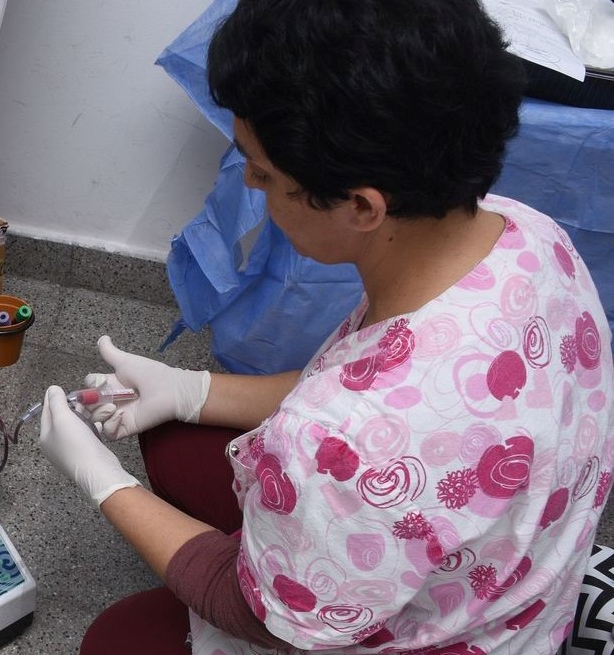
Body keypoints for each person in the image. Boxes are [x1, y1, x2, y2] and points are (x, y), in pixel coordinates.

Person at [37, 0, 614, 652]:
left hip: (450, 629)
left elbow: (253, 614)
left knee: (118, 639)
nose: (250, 183)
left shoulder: (342, 439)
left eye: (263, 173)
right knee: (176, 441)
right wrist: (192, 390)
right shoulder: (530, 235)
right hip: (510, 574)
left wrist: (101, 480)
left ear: (362, 206)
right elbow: (366, 384)